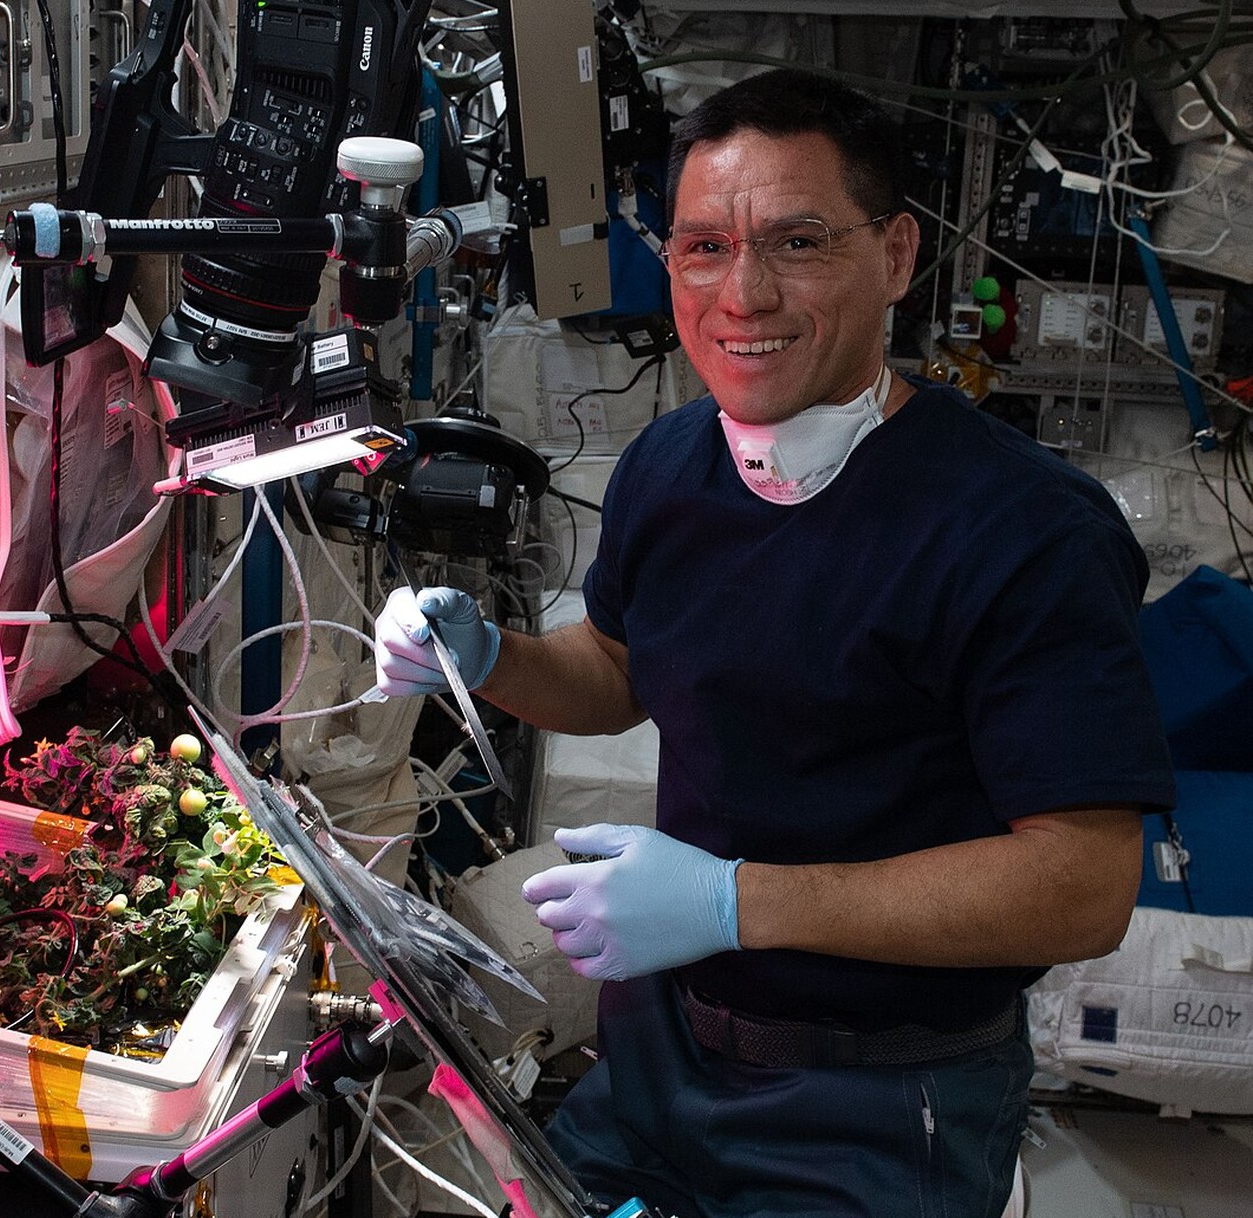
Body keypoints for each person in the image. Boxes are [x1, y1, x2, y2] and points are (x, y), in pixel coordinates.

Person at [374, 68, 1174, 1218]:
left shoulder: (1023, 530)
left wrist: (730, 904)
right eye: (702, 247)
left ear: (893, 257)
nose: (739, 292)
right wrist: (488, 656)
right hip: (656, 1049)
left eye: (795, 241)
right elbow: (614, 673)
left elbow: (1079, 887)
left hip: (878, 1100)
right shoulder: (669, 463)